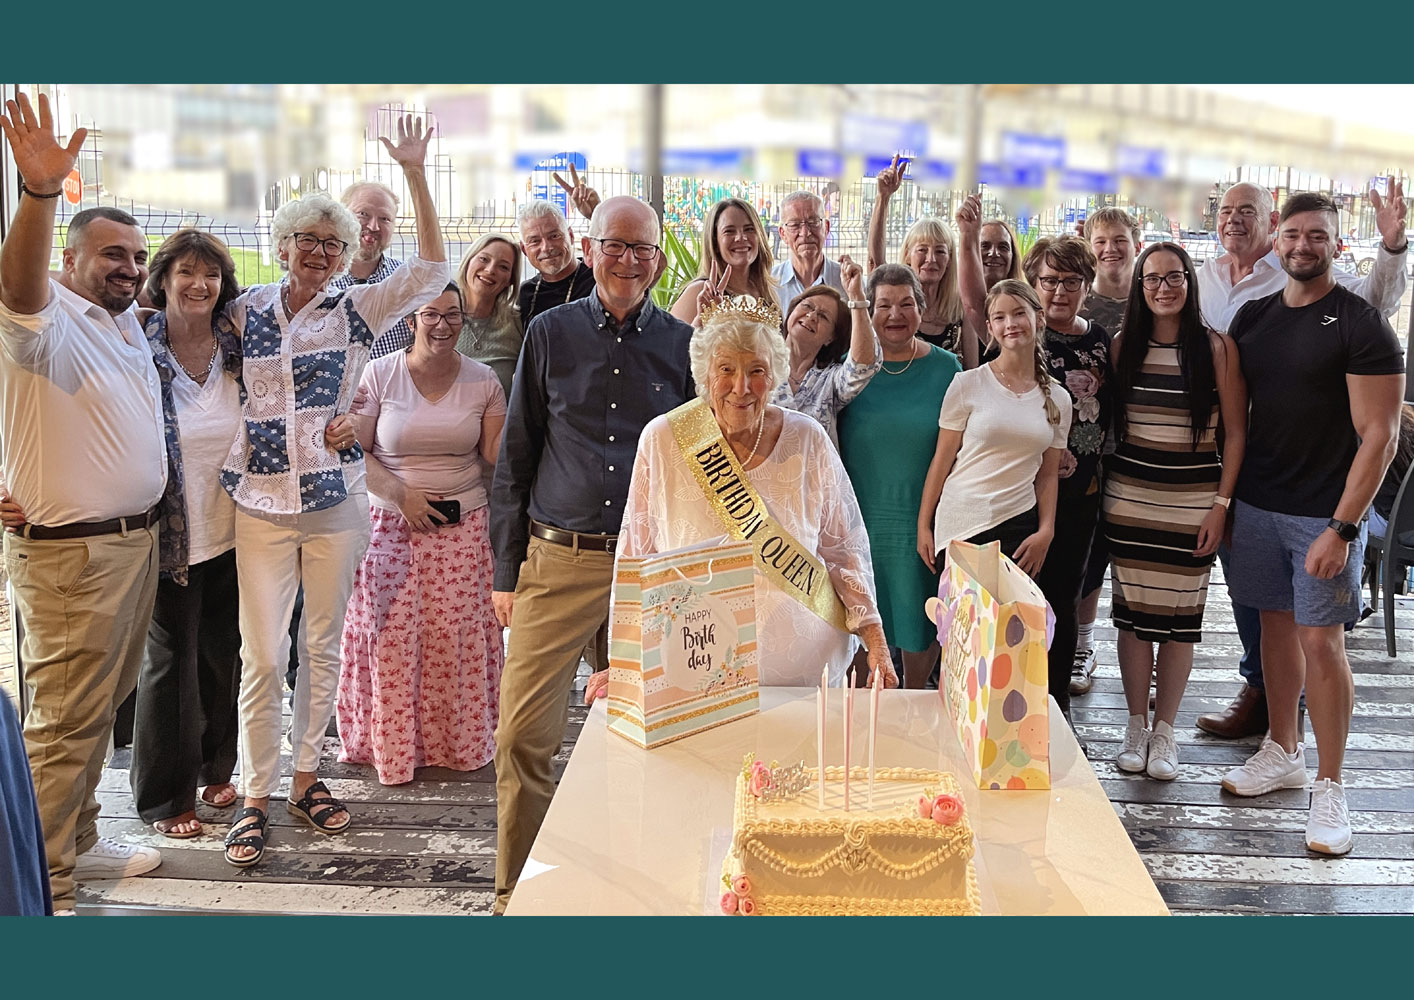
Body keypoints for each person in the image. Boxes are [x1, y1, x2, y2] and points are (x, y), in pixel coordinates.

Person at [220, 114, 449, 868]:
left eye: (333, 244)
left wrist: (414, 172)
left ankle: (306, 778)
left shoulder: (358, 308)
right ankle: (255, 794)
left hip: (333, 505)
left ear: (346, 256)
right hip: (259, 505)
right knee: (262, 656)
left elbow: (434, 269)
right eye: (308, 240)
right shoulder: (245, 310)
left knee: (320, 649)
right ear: (282, 245)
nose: (320, 253)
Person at [490, 195, 695, 914]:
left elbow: (696, 466)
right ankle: (520, 896)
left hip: (648, 570)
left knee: (650, 737)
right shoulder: (549, 332)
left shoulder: (683, 344)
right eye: (615, 245)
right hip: (558, 561)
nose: (628, 261)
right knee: (523, 736)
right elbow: (517, 452)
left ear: (659, 261)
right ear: (589, 248)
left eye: (643, 249)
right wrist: (506, 572)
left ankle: (635, 893)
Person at [0, 94, 165, 912]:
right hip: (75, 555)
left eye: (137, 255)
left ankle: (79, 843)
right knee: (63, 724)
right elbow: (18, 289)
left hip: (129, 545)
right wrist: (38, 194)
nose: (128, 267)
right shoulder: (48, 314)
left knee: (95, 711)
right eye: (110, 254)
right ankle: (47, 885)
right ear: (69, 259)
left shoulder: (122, 323)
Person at [583, 296, 896, 699]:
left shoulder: (807, 438)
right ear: (704, 373)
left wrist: (875, 639)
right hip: (696, 665)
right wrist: (625, 663)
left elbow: (845, 549)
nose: (742, 387)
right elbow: (636, 556)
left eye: (757, 370)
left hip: (802, 671)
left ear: (776, 373)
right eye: (726, 369)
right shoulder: (663, 439)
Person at [1219, 192, 1404, 856]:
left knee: (1322, 643)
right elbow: (1236, 419)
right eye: (1293, 234)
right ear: (1276, 240)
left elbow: (1380, 435)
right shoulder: (1253, 317)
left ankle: (1330, 784)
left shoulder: (1361, 323)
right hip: (1257, 506)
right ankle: (1283, 749)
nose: (1303, 245)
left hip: (1323, 515)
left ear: (1335, 243)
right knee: (1274, 627)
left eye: (1317, 235)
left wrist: (1344, 528)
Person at [337, 282, 506, 785]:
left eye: (452, 314)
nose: (442, 324)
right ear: (411, 321)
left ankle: (458, 744)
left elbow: (496, 454)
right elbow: (356, 451)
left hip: (463, 526)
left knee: (456, 638)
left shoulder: (484, 380)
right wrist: (401, 495)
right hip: (389, 525)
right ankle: (391, 748)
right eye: (430, 314)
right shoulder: (379, 374)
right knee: (389, 636)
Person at [1104, 243, 1247, 781]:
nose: (1163, 288)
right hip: (1130, 500)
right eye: (1152, 279)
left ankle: (1166, 732)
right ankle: (1135, 726)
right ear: (1139, 287)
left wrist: (1221, 505)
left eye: (1174, 277)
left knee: (1181, 621)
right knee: (1134, 617)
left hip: (1193, 502)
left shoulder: (1217, 348)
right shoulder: (1123, 346)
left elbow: (1236, 434)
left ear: (1190, 281)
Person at [837, 264, 962, 688]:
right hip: (858, 521)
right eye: (884, 305)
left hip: (922, 520)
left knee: (918, 617)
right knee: (858, 622)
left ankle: (914, 702)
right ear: (868, 311)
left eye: (906, 304)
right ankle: (863, 713)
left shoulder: (948, 369)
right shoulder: (850, 371)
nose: (895, 314)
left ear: (922, 309)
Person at [1018, 234, 1113, 720]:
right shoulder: (1021, 337)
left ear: (1087, 286)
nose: (1059, 290)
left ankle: (1057, 711)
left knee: (1065, 597)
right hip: (1023, 493)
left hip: (1080, 493)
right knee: (1022, 600)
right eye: (1050, 280)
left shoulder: (1100, 341)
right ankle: (1016, 703)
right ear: (1033, 284)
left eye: (1071, 281)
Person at [917, 279, 1070, 578]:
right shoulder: (967, 384)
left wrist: (1046, 531)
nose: (1010, 323)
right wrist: (924, 524)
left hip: (1020, 527)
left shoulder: (1059, 398)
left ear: (1039, 318)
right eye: (1000, 317)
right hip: (962, 526)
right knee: (965, 611)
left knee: (1015, 611)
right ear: (990, 327)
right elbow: (942, 459)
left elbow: (1048, 475)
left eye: (1019, 313)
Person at [1071, 208, 1143, 696]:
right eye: (1101, 241)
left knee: (1139, 554)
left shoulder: (1152, 296)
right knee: (1090, 550)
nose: (1110, 249)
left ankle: (1149, 651)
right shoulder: (1081, 301)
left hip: (1145, 446)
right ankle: (1082, 643)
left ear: (1136, 242)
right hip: (1090, 449)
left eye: (1119, 239)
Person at [867, 155, 976, 367]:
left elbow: (972, 371)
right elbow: (875, 263)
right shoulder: (897, 308)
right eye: (922, 250)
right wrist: (883, 198)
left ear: (950, 259)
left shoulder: (960, 308)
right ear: (908, 255)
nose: (931, 259)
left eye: (940, 251)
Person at [771, 255, 881, 449]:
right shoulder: (759, 363)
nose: (812, 316)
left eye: (823, 316)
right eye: (807, 306)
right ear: (791, 311)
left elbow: (863, 365)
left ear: (831, 337)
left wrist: (856, 297)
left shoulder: (830, 380)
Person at [332, 180, 413, 358]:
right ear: (341, 216)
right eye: (363, 214)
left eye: (385, 219)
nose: (373, 226)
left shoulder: (407, 281)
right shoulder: (316, 282)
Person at [670, 197, 778, 325]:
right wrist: (700, 322)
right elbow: (671, 338)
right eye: (729, 231)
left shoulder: (766, 289)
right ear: (715, 242)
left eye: (749, 229)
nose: (741, 237)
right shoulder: (700, 292)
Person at [454, 233, 523, 401]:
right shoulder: (440, 317)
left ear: (510, 280)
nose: (490, 270)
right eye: (484, 259)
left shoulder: (517, 323)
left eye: (503, 267)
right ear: (468, 261)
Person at [516, 199, 596, 326]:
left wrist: (596, 213)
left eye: (554, 236)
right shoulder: (526, 293)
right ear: (524, 249)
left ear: (571, 236)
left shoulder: (597, 279)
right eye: (535, 241)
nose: (546, 247)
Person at [772, 190, 846, 304]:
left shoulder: (847, 282)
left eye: (813, 222)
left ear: (826, 228)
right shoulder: (770, 284)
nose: (805, 233)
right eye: (795, 225)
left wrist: (857, 297)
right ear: (783, 234)